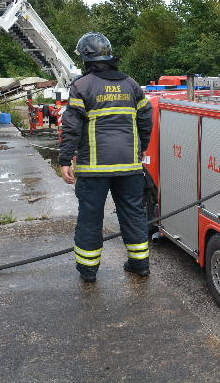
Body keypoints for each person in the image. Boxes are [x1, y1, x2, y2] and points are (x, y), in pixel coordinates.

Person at [58, 32, 153, 282]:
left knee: (90, 218)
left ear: (86, 58)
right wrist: (142, 146)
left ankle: (88, 271)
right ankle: (140, 265)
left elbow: (71, 125)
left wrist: (65, 159)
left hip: (93, 170)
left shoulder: (81, 86)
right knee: (133, 215)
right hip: (130, 167)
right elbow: (146, 118)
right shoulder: (132, 85)